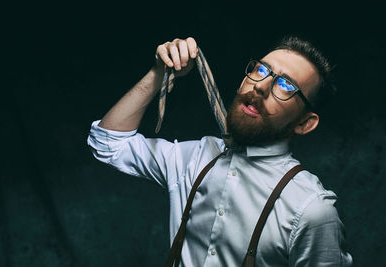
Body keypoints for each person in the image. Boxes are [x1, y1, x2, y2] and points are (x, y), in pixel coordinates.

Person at [87, 36, 353, 266]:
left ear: (305, 124)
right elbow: (108, 144)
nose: (261, 86)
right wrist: (159, 72)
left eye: (286, 86)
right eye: (261, 70)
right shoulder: (196, 158)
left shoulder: (311, 210)